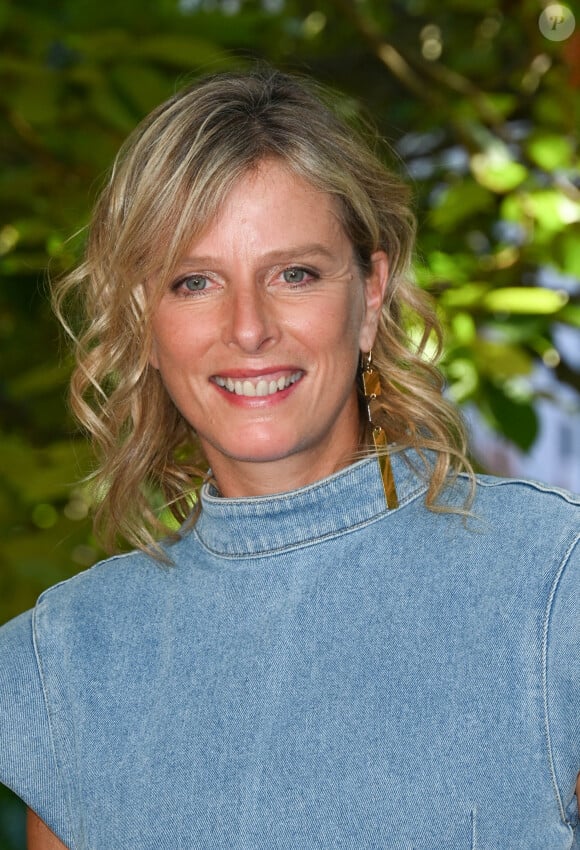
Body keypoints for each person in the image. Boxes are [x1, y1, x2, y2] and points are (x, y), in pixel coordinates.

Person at [0, 67, 578, 850]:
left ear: (370, 296)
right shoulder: (69, 660)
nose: (248, 328)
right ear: (145, 320)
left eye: (294, 274)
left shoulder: (550, 584)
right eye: (195, 281)